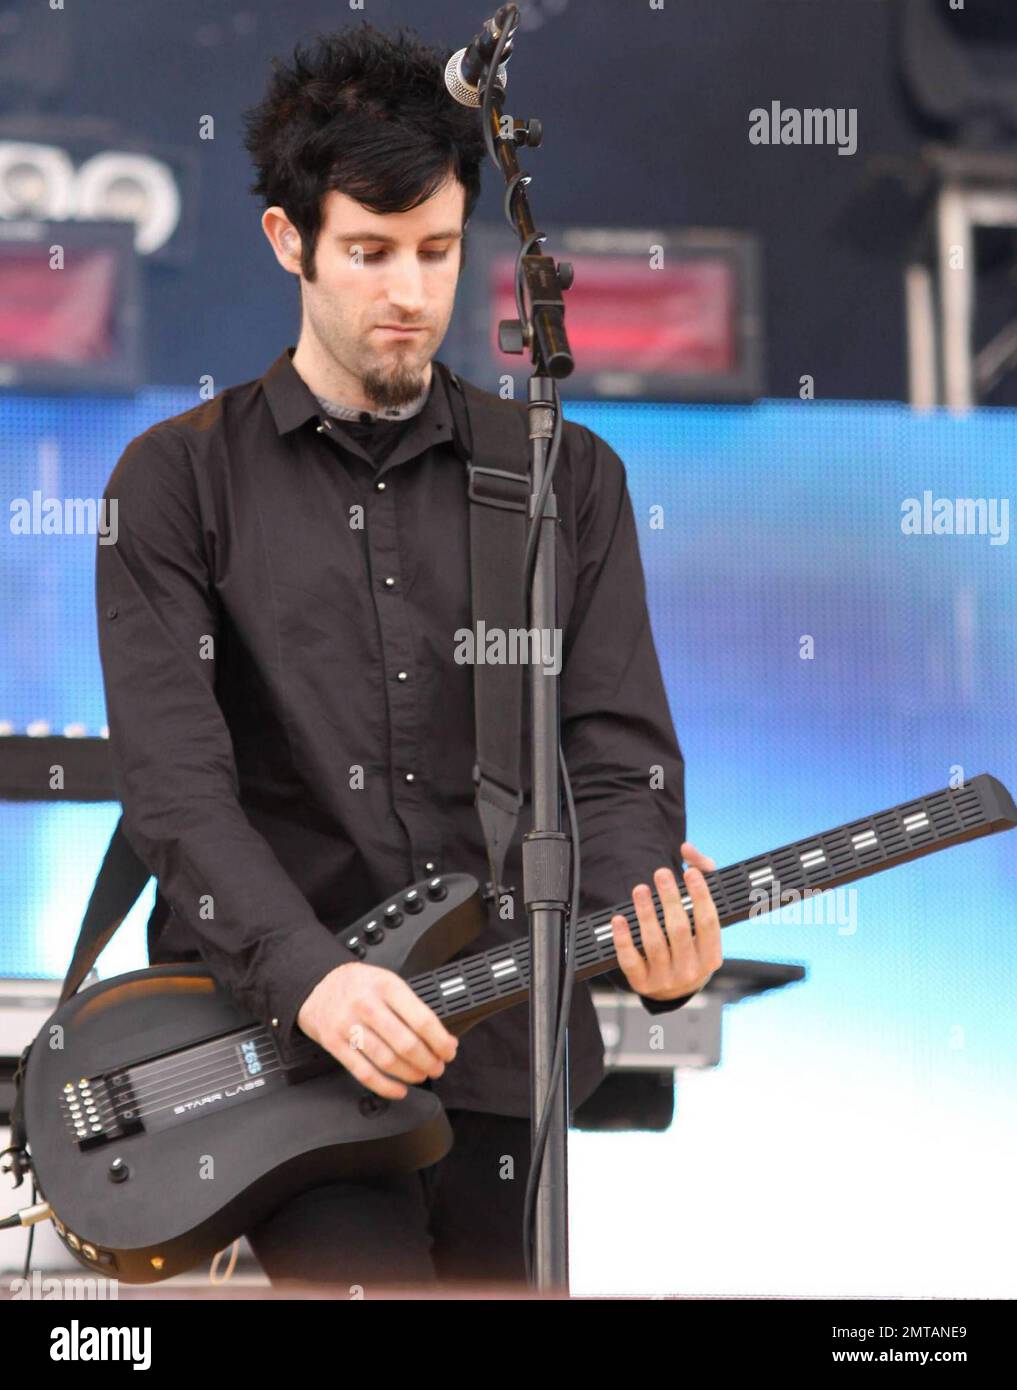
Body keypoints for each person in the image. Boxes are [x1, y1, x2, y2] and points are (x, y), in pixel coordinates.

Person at [95, 23, 723, 1292]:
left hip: (504, 1052)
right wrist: (312, 978)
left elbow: (615, 760)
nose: (411, 294)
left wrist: (648, 929)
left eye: (437, 251)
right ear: (289, 241)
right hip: (286, 1055)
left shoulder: (563, 476)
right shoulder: (174, 482)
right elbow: (174, 793)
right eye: (370, 252)